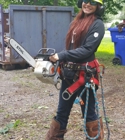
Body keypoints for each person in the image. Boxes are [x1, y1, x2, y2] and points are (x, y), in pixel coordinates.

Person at [46, 0, 105, 139]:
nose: (88, 4)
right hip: (68, 75)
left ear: (98, 6)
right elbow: (71, 48)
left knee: (90, 115)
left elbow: (86, 50)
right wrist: (60, 58)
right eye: (86, 1)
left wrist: (61, 55)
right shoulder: (76, 22)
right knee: (61, 113)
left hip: (86, 77)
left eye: (93, 2)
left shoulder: (98, 24)